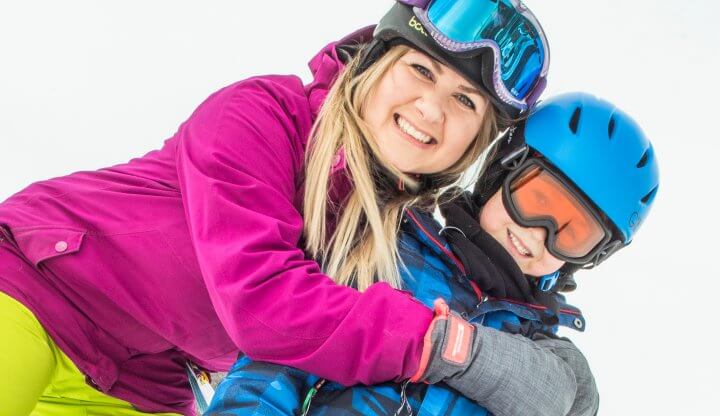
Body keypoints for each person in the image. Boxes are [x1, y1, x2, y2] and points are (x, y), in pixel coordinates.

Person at [0, 1, 564, 415]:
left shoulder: (400, 236)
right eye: (421, 70)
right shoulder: (263, 116)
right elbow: (263, 299)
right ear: (375, 61)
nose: (431, 109)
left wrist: (555, 377)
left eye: (464, 101)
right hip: (33, 291)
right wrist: (432, 343)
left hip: (140, 382)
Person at [205, 92, 659, 416]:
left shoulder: (550, 356)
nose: (538, 234)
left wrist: (451, 347)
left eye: (572, 234)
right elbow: (282, 359)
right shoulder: (382, 252)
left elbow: (557, 399)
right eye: (536, 200)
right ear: (502, 171)